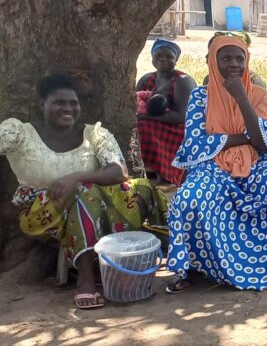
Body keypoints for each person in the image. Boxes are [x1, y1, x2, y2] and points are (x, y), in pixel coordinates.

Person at [165, 35, 267, 293]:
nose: (233, 64)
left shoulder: (259, 96)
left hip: (256, 163)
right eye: (226, 58)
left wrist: (242, 98)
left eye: (239, 58)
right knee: (189, 198)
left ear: (247, 61)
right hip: (213, 165)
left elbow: (265, 144)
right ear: (213, 61)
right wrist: (245, 137)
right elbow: (196, 144)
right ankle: (193, 267)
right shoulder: (200, 98)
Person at [0, 74, 169, 309]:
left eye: (73, 103)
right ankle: (86, 279)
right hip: (42, 213)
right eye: (59, 102)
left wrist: (77, 176)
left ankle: (148, 248)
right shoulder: (19, 133)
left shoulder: (94, 134)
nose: (68, 108)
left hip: (91, 206)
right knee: (85, 192)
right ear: (42, 105)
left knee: (141, 188)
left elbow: (119, 171)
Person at [136, 39, 197, 186]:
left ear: (176, 59)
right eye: (158, 55)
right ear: (152, 57)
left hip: (180, 127)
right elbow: (136, 102)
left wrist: (145, 116)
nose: (163, 59)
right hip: (156, 122)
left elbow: (183, 116)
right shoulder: (146, 79)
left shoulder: (183, 81)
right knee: (137, 125)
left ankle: (165, 172)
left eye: (169, 56)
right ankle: (148, 168)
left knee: (144, 126)